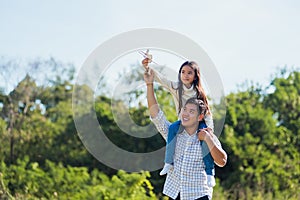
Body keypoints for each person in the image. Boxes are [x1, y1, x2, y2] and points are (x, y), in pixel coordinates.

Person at [144, 68, 227, 200]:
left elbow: (222, 161)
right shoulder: (173, 133)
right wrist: (149, 85)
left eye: (191, 111)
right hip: (175, 192)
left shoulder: (207, 135)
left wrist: (207, 139)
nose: (186, 114)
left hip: (198, 194)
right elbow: (156, 115)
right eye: (184, 110)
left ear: (200, 117)